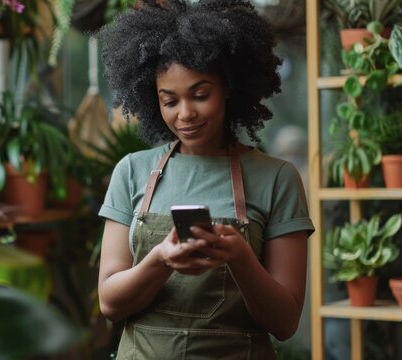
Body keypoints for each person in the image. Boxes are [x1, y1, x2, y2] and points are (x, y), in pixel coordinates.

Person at [95, 1, 315, 358]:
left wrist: (240, 258)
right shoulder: (132, 171)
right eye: (169, 100)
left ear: (228, 87)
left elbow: (286, 322)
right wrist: (160, 260)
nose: (185, 114)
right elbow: (109, 302)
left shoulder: (277, 178)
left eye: (200, 95)